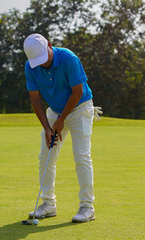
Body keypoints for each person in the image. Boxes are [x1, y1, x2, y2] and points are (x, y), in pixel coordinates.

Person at [23, 33, 101, 223]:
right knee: (45, 156)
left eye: (44, 58)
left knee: (81, 155)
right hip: (54, 110)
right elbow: (35, 99)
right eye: (38, 62)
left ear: (49, 45)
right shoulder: (31, 66)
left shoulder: (68, 58)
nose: (42, 64)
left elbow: (78, 91)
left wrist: (61, 120)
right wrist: (48, 128)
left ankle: (87, 207)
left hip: (80, 107)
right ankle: (48, 204)